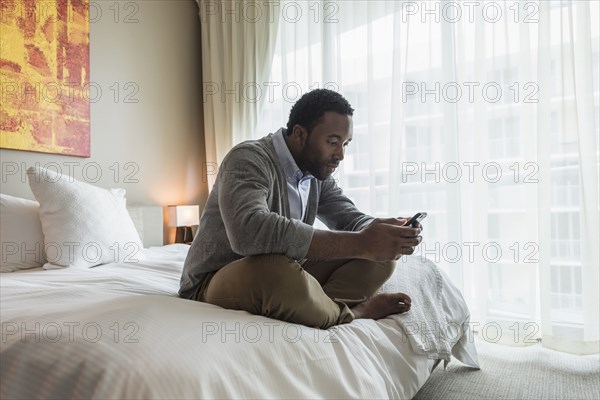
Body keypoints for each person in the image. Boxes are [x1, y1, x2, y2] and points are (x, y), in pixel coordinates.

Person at [180, 89, 422, 329]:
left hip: (290, 268)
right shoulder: (248, 159)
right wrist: (362, 242)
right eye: (333, 142)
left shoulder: (315, 173)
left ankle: (319, 307)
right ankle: (352, 314)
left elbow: (349, 218)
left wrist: (384, 231)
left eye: (345, 143)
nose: (340, 155)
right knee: (275, 270)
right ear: (299, 134)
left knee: (382, 259)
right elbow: (249, 232)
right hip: (215, 279)